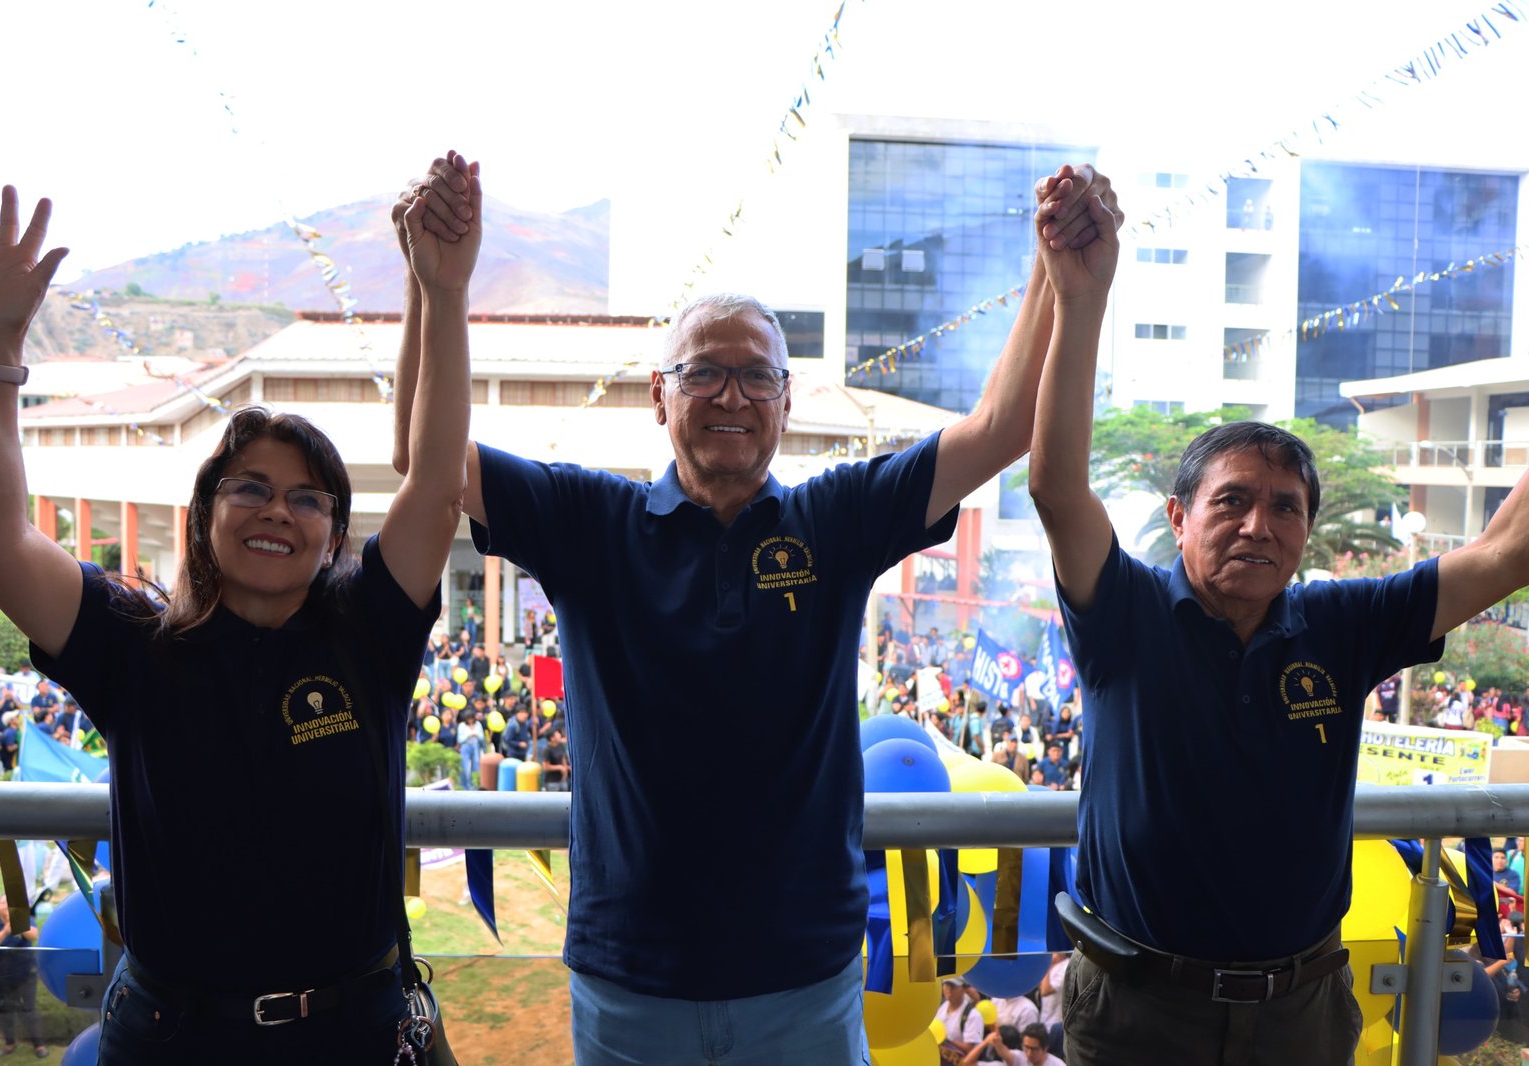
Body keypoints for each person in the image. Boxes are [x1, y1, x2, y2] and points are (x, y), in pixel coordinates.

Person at [397, 155, 1118, 1059]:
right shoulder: (592, 522)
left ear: (786, 401)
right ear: (659, 397)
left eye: (757, 377)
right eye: (703, 373)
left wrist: (1054, 276)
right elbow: (423, 461)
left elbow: (1001, 432)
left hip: (805, 981)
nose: (731, 396)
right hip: (631, 983)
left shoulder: (833, 520)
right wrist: (438, 289)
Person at [0, 157, 477, 1064]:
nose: (279, 509)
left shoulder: (369, 631)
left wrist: (443, 291)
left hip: (357, 1032)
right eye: (252, 488)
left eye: (309, 499)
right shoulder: (133, 642)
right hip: (172, 1038)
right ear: (203, 515)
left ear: (333, 533)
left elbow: (433, 486)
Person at [1027, 166, 1529, 1066]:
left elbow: (1504, 556)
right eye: (1233, 502)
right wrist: (1082, 294)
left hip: (1302, 1013)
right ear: (1180, 517)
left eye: (1287, 507)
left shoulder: (1341, 626)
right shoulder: (1125, 614)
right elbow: (1057, 484)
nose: (1260, 525)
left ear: (1307, 530)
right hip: (1140, 1012)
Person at [0, 894, 47, 1058]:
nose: (6, 905)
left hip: (24, 974)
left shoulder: (25, 920)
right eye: (3, 903)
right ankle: (10, 1042)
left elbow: (33, 935)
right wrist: (4, 931)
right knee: (4, 1009)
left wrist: (16, 923)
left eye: (10, 902)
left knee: (28, 1009)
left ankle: (38, 1044)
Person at [934, 976, 985, 1063]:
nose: (948, 989)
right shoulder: (941, 1007)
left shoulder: (973, 1015)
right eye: (946, 985)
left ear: (964, 988)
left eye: (953, 986)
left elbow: (970, 1049)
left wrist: (946, 1039)